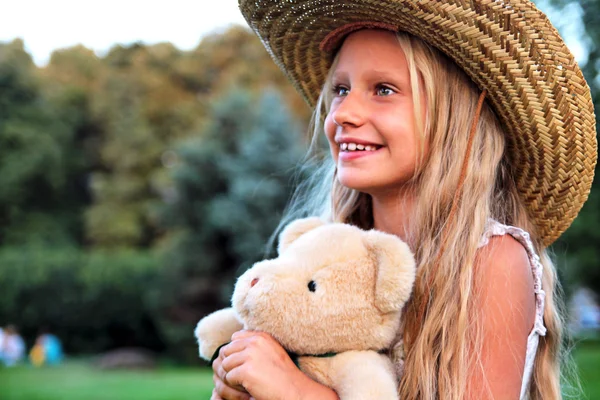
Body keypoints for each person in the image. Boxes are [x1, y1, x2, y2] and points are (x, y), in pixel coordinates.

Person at [210, 1, 597, 399]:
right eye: (340, 89)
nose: (343, 112)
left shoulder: (490, 260)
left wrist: (296, 391)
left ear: (456, 117)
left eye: (383, 90)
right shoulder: (326, 257)